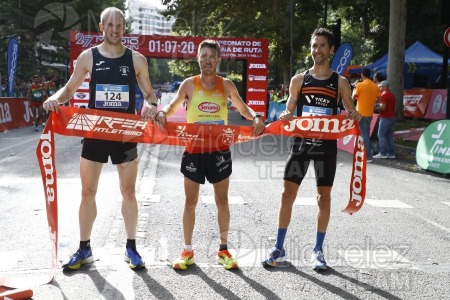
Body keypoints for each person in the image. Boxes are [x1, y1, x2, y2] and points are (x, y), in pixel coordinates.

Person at [43, 7, 158, 270]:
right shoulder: (88, 57)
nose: (115, 29)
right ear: (101, 27)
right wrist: (55, 99)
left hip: (125, 135)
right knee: (87, 192)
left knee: (128, 192)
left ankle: (131, 247)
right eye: (110, 25)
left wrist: (152, 105)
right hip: (95, 133)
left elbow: (150, 94)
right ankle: (84, 248)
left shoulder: (137, 60)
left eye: (120, 25)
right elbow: (69, 88)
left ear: (124, 28)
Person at [155, 39, 265, 271]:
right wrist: (163, 111)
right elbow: (173, 106)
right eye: (203, 55)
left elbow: (242, 107)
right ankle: (187, 250)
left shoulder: (226, 85)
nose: (207, 59)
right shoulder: (189, 84)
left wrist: (255, 116)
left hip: (219, 150)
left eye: (211, 56)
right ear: (198, 58)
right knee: (190, 202)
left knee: (222, 200)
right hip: (193, 150)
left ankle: (223, 250)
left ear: (218, 60)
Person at [261, 28, 361, 271]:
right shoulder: (299, 80)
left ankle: (317, 250)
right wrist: (286, 114)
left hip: (325, 148)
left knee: (323, 198)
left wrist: (354, 114)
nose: (317, 50)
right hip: (301, 146)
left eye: (322, 46)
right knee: (287, 195)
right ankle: (279, 246)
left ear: (331, 50)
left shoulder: (340, 82)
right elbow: (290, 106)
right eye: (314, 45)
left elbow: (350, 111)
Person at [352, 67, 381, 162]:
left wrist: (355, 87)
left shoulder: (360, 85)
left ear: (362, 75)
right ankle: (364, 153)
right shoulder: (375, 86)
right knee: (366, 134)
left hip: (360, 113)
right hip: (370, 113)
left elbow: (353, 98)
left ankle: (368, 156)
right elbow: (379, 100)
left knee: (364, 135)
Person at [373, 80, 396, 159]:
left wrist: (375, 107)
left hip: (385, 117)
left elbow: (383, 107)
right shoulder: (391, 95)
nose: (380, 88)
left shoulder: (384, 95)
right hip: (392, 117)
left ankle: (383, 153)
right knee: (389, 136)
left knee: (381, 135)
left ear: (383, 86)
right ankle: (391, 153)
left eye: (380, 87)